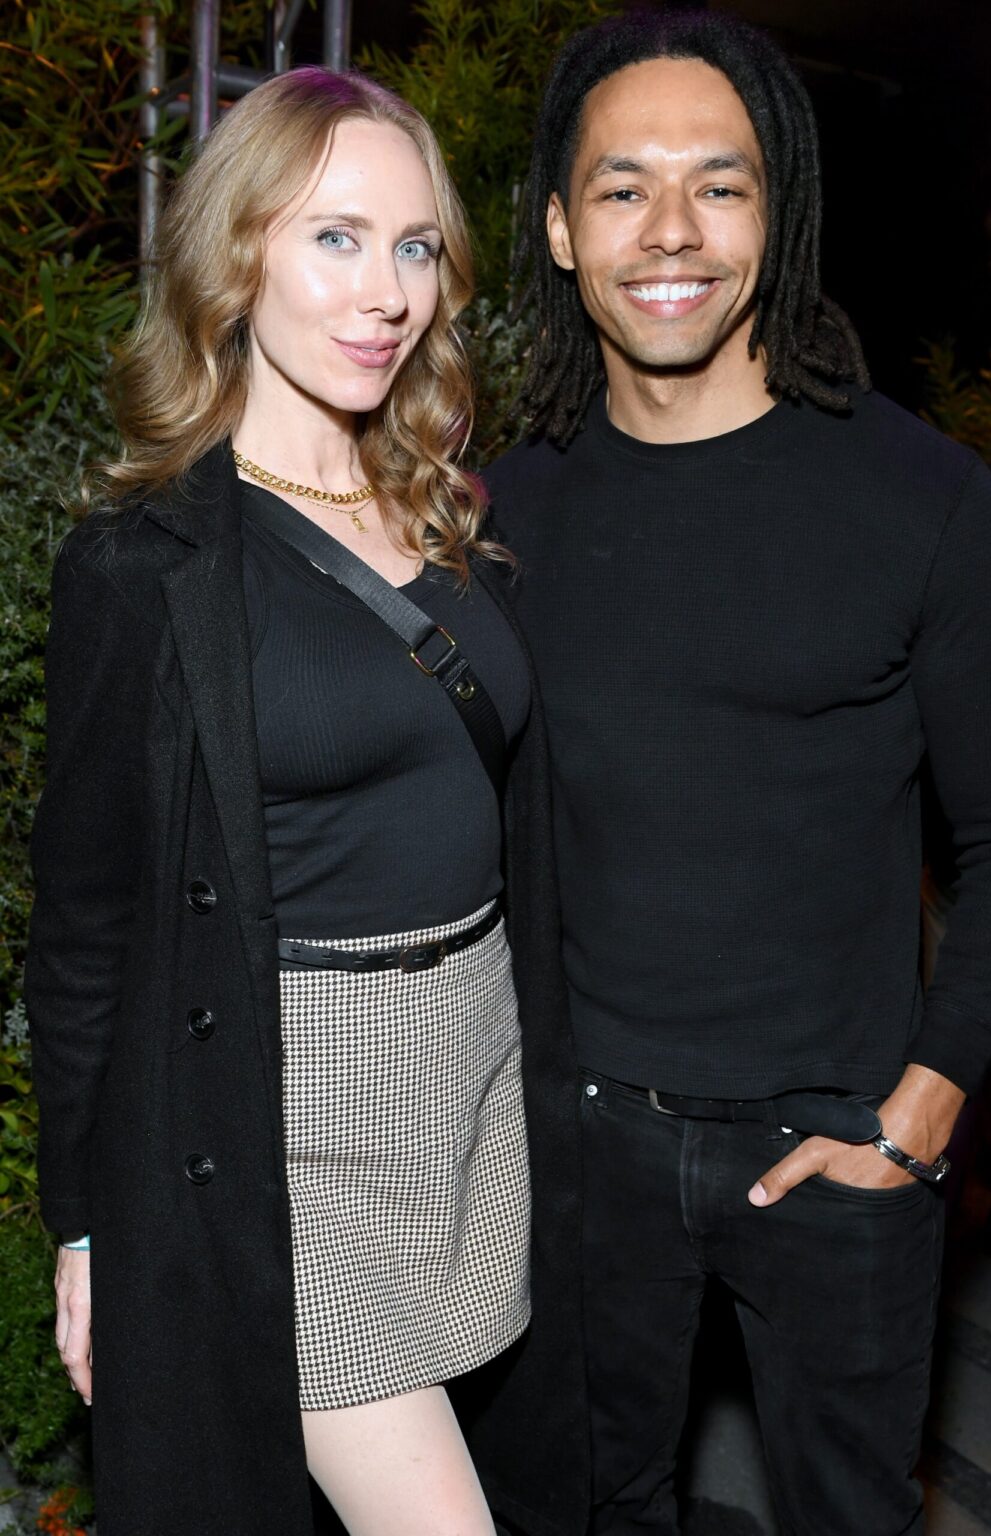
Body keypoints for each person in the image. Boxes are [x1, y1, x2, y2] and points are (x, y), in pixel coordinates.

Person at [25, 67, 586, 1536]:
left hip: (473, 1068)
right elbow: (83, 925)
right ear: (237, 255)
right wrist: (84, 1223)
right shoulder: (143, 565)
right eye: (335, 237)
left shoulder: (449, 513)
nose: (386, 292)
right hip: (289, 1112)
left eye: (415, 246)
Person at [484, 11, 991, 1535]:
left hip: (837, 1145)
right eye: (623, 187)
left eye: (719, 185)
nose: (671, 230)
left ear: (777, 215)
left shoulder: (924, 502)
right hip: (575, 1146)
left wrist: (923, 1110)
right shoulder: (500, 511)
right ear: (560, 228)